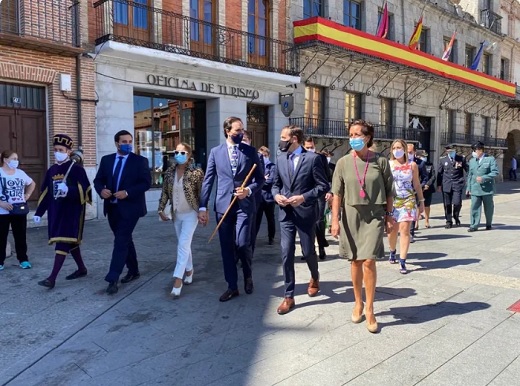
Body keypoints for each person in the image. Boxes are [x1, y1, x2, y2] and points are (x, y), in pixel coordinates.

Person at [330, 119, 394, 333]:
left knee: (369, 261)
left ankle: (370, 308)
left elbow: (389, 191)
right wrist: (334, 221)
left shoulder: (381, 162)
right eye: (351, 134)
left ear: (367, 138)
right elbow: (337, 194)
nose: (353, 138)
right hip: (351, 215)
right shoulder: (342, 162)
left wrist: (389, 215)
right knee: (355, 261)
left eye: (357, 134)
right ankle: (358, 301)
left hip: (374, 215)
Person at [198, 117, 264, 302]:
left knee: (242, 244)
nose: (241, 133)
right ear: (227, 131)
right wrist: (203, 206)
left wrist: (248, 190)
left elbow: (260, 179)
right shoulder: (215, 152)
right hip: (223, 206)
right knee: (226, 248)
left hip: (244, 205)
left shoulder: (250, 151)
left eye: (242, 130)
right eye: (237, 131)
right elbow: (208, 180)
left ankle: (248, 275)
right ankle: (232, 286)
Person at [271, 125, 329, 315]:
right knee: (286, 253)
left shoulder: (313, 159)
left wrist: (303, 197)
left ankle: (314, 277)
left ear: (294, 139)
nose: (280, 140)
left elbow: (323, 186)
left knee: (308, 250)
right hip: (285, 213)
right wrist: (276, 195)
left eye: (283, 137)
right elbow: (275, 184)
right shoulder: (279, 160)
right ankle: (289, 296)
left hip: (305, 212)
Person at [93, 130, 151, 295]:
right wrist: (101, 190)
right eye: (124, 141)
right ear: (117, 143)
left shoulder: (140, 161)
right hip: (112, 207)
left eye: (130, 141)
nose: (128, 144)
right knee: (125, 240)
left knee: (120, 240)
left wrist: (128, 192)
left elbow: (146, 183)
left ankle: (113, 278)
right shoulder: (107, 160)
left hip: (131, 208)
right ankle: (133, 270)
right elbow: (98, 180)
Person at [33, 135, 92, 288]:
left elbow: (86, 190)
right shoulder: (52, 169)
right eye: (56, 150)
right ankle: (82, 268)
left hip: (72, 211)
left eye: (61, 150)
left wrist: (70, 190)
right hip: (56, 210)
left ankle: (51, 278)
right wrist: (39, 212)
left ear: (68, 151)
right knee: (69, 241)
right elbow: (46, 192)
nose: (57, 152)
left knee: (63, 241)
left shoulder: (77, 169)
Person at [158, 143, 204, 298]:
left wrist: (204, 211)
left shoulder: (196, 172)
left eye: (182, 152)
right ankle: (189, 270)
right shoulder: (170, 172)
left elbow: (202, 193)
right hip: (176, 214)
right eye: (176, 152)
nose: (179, 154)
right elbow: (165, 192)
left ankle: (178, 279)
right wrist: (161, 209)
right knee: (184, 244)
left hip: (191, 213)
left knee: (183, 244)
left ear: (189, 154)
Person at [387, 139, 425, 274]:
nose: (397, 150)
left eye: (399, 147)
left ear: (404, 149)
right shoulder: (388, 164)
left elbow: (416, 183)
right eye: (394, 147)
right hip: (393, 200)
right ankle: (392, 250)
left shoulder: (412, 165)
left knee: (405, 230)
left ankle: (402, 260)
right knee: (392, 231)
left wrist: (421, 201)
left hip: (408, 199)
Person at [0, 150, 36, 271]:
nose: (16, 161)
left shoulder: (20, 173)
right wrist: (1, 203)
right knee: (1, 237)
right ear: (5, 159)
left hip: (19, 210)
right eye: (13, 159)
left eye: (16, 159)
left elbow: (32, 183)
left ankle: (23, 259)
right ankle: (0, 261)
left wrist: (28, 194)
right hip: (2, 212)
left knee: (20, 236)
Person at [303, 136, 332, 260]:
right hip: (305, 194)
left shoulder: (321, 158)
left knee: (319, 221)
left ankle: (321, 246)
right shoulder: (301, 158)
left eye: (312, 147)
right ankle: (308, 250)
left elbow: (327, 176)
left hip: (319, 193)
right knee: (307, 222)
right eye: (307, 147)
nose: (310, 149)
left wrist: (329, 191)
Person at [466, 141, 499, 232]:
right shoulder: (472, 161)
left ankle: (488, 223)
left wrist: (484, 178)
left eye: (475, 150)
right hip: (475, 188)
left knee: (488, 208)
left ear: (480, 150)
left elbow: (495, 172)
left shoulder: (490, 159)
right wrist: (468, 188)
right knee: (474, 208)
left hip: (487, 189)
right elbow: (470, 175)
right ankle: (474, 225)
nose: (473, 152)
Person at [437, 144, 468, 229]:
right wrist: (439, 185)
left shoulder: (461, 159)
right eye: (449, 151)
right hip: (446, 185)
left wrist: (468, 181)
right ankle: (449, 221)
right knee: (447, 204)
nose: (451, 152)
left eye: (453, 151)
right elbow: (440, 174)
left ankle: (456, 216)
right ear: (446, 151)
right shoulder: (443, 160)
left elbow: (467, 170)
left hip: (457, 184)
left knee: (457, 203)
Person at [255, 146, 276, 245]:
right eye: (261, 155)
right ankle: (253, 237)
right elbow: (253, 181)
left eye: (265, 155)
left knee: (270, 219)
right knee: (256, 219)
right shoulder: (255, 166)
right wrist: (263, 179)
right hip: (258, 198)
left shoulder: (272, 167)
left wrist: (260, 181)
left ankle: (271, 237)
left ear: (268, 156)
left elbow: (271, 181)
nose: (263, 157)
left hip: (269, 198)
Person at [407, 143, 427, 242]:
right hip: (400, 193)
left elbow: (424, 178)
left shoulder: (420, 163)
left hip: (413, 192)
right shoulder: (399, 162)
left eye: (410, 152)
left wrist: (420, 187)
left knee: (411, 213)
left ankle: (410, 233)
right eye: (406, 152)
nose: (408, 154)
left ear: (414, 152)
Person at [416, 150, 435, 228]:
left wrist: (427, 185)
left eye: (425, 156)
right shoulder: (415, 164)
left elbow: (433, 176)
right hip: (418, 188)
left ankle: (427, 221)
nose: (424, 158)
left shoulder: (429, 165)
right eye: (422, 156)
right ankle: (416, 223)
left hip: (427, 188)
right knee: (417, 205)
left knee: (427, 205)